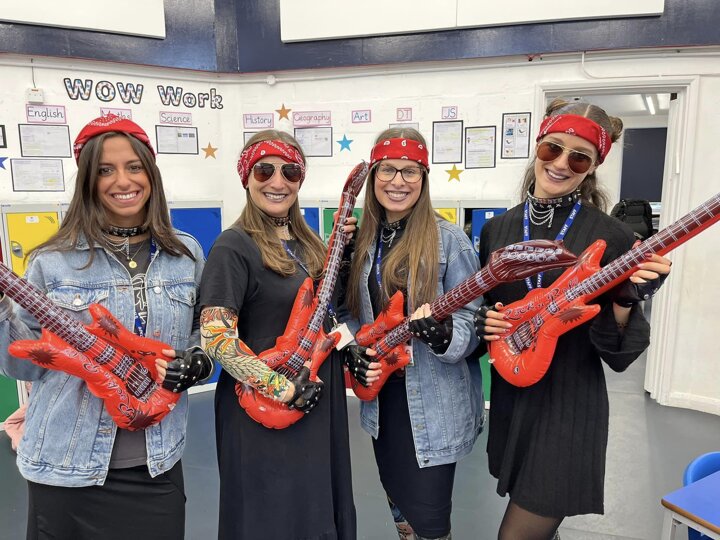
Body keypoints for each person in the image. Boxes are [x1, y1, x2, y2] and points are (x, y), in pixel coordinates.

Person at [0, 114, 211, 539]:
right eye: (105, 170)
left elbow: (200, 335)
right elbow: (21, 366)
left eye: (134, 167)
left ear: (150, 174)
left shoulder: (185, 254)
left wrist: (198, 363)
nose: (122, 181)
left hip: (156, 464)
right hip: (65, 468)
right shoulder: (51, 260)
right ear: (88, 181)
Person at [474, 99, 672, 540]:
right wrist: (486, 320)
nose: (561, 164)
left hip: (569, 403)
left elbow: (618, 353)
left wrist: (627, 299)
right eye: (553, 149)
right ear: (538, 147)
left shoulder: (613, 236)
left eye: (579, 157)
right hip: (513, 396)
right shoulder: (497, 230)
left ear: (593, 167)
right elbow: (486, 309)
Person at [198, 129, 357, 540]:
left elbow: (329, 314)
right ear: (246, 177)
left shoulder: (309, 244)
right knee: (271, 516)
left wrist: (351, 346)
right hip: (259, 407)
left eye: (290, 172)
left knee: (315, 510)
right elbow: (216, 338)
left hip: (316, 399)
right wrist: (281, 388)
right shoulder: (233, 247)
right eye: (264, 170)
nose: (278, 182)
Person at [343, 128, 485, 540]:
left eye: (410, 171)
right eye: (387, 169)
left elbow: (473, 320)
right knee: (400, 508)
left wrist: (444, 337)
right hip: (383, 400)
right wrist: (353, 346)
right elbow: (349, 309)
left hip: (433, 402)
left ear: (423, 179)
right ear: (374, 176)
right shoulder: (363, 239)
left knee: (430, 523)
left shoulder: (450, 241)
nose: (398, 181)